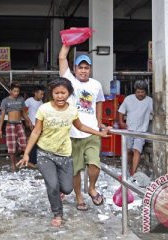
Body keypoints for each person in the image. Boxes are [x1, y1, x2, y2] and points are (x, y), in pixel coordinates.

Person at [17, 78, 110, 227]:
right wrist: (27, 153)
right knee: (53, 185)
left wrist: (99, 133)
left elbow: (80, 126)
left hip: (65, 155)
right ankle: (57, 213)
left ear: (69, 94)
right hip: (45, 153)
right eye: (56, 93)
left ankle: (56, 190)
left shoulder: (72, 110)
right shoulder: (44, 109)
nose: (60, 96)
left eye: (63, 93)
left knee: (67, 188)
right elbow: (36, 132)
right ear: (51, 94)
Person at [59, 44, 106, 210]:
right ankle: (79, 197)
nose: (84, 71)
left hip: (91, 132)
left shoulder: (96, 85)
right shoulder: (70, 82)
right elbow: (62, 58)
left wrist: (99, 123)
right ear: (75, 69)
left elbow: (99, 102)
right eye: (81, 68)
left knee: (94, 163)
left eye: (87, 68)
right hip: (72, 134)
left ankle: (91, 188)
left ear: (90, 70)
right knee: (75, 170)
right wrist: (67, 43)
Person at [118, 80, 153, 176]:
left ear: (146, 92)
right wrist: (121, 122)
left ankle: (133, 174)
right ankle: (130, 168)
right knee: (129, 151)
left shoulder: (150, 101)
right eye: (138, 92)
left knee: (136, 150)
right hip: (129, 130)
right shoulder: (128, 99)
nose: (140, 94)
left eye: (142, 92)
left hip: (141, 131)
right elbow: (121, 111)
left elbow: (156, 113)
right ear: (135, 91)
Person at [0, 83, 32, 171]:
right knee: (11, 146)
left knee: (24, 144)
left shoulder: (21, 99)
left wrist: (29, 121)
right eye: (14, 91)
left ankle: (24, 161)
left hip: (19, 124)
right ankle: (13, 165)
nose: (16, 93)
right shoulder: (5, 101)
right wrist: (0, 130)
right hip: (10, 125)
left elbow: (24, 113)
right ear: (10, 91)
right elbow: (2, 115)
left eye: (18, 91)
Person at [24, 85, 45, 167]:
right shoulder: (29, 101)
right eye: (41, 94)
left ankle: (33, 161)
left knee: (36, 144)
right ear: (35, 93)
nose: (42, 96)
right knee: (31, 143)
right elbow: (23, 112)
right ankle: (29, 161)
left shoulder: (41, 102)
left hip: (38, 125)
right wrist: (28, 121)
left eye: (43, 94)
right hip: (31, 125)